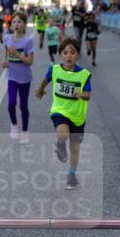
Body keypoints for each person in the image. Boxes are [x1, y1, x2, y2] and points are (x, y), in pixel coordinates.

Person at [35, 38, 92, 191]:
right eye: (65, 53)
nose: (69, 56)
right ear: (60, 55)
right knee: (62, 133)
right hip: (59, 110)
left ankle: (72, 176)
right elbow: (46, 80)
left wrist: (81, 95)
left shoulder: (84, 74)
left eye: (72, 53)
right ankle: (60, 144)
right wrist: (40, 89)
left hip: (78, 116)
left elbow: (88, 94)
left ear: (77, 55)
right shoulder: (54, 70)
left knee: (75, 149)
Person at [2, 11, 35, 143]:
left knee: (23, 106)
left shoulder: (28, 41)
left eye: (19, 22)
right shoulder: (7, 38)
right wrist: (4, 61)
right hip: (11, 76)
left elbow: (30, 61)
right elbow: (6, 50)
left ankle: (25, 131)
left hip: (25, 78)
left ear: (24, 25)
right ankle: (14, 124)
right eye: (14, 22)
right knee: (11, 103)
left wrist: (16, 53)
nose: (16, 24)